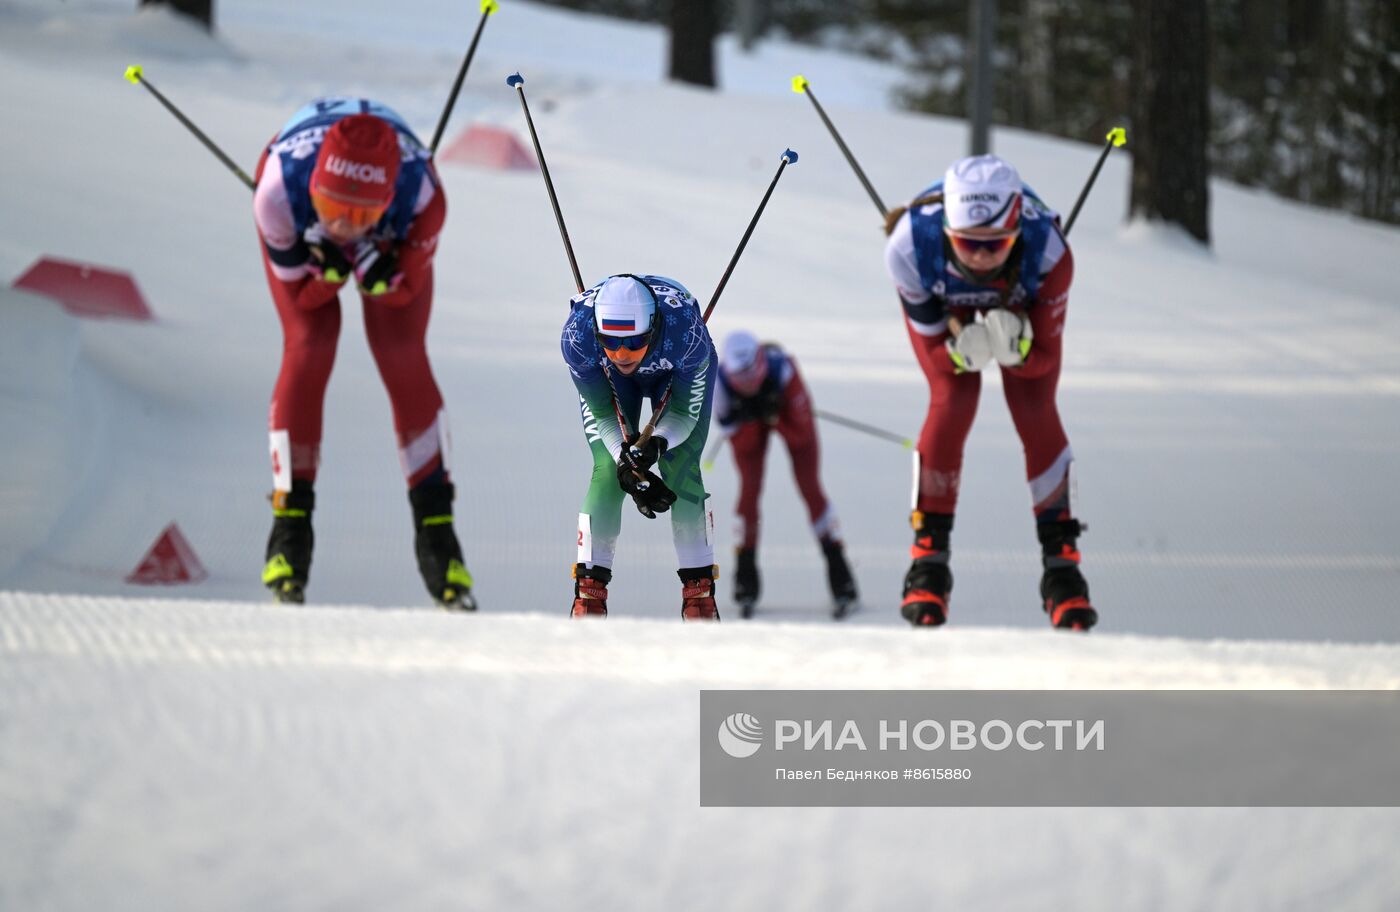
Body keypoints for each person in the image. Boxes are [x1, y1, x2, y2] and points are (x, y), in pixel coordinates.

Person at [252, 97, 474, 609]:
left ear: (387, 200)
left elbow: (401, 295)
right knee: (311, 343)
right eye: (332, 208)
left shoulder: (423, 198)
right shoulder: (278, 193)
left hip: (393, 232)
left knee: (401, 351)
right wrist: (327, 275)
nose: (344, 227)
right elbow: (302, 300)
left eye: (359, 215)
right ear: (315, 190)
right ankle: (289, 531)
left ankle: (439, 540)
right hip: (314, 206)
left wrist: (381, 275)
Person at [883, 154, 1096, 631]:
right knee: (953, 398)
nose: (981, 256)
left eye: (996, 244)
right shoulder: (909, 246)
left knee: (1035, 406)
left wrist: (1019, 352)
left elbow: (1045, 361)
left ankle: (1063, 568)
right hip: (947, 307)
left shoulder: (1050, 252)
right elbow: (936, 359)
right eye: (967, 244)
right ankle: (928, 562)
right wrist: (959, 354)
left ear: (1018, 230)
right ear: (947, 234)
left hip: (1021, 300)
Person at [561, 274, 720, 620]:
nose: (622, 354)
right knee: (607, 472)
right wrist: (624, 460)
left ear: (653, 326)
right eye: (611, 342)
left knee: (681, 470)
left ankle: (700, 597)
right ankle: (588, 597)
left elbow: (682, 411)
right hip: (611, 382)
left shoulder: (686, 335)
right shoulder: (578, 339)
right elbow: (603, 412)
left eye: (634, 342)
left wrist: (656, 446)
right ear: (597, 330)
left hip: (677, 371)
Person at [714, 330, 858, 618]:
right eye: (739, 378)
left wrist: (774, 415)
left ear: (761, 363)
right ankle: (745, 578)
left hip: (785, 415)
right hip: (753, 424)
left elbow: (802, 435)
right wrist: (751, 419)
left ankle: (840, 574)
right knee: (749, 492)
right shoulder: (718, 388)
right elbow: (742, 444)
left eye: (751, 374)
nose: (747, 384)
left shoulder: (784, 372)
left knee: (810, 489)